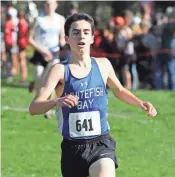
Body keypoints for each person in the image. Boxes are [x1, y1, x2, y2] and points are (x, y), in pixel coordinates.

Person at [29, 13, 157, 177]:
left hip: (101, 143)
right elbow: (34, 108)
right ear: (67, 38)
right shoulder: (59, 70)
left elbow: (119, 90)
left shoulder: (103, 65)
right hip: (72, 148)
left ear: (92, 38)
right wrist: (56, 101)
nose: (81, 36)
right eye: (75, 32)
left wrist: (140, 103)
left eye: (86, 32)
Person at [28, 0, 66, 118]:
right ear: (44, 5)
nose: (49, 6)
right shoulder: (38, 19)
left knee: (50, 82)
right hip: (40, 53)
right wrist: (43, 51)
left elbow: (63, 36)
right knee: (40, 79)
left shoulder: (60, 19)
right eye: (47, 4)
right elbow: (29, 39)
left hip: (54, 54)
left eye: (51, 4)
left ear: (56, 5)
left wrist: (62, 41)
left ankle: (47, 109)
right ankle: (35, 85)